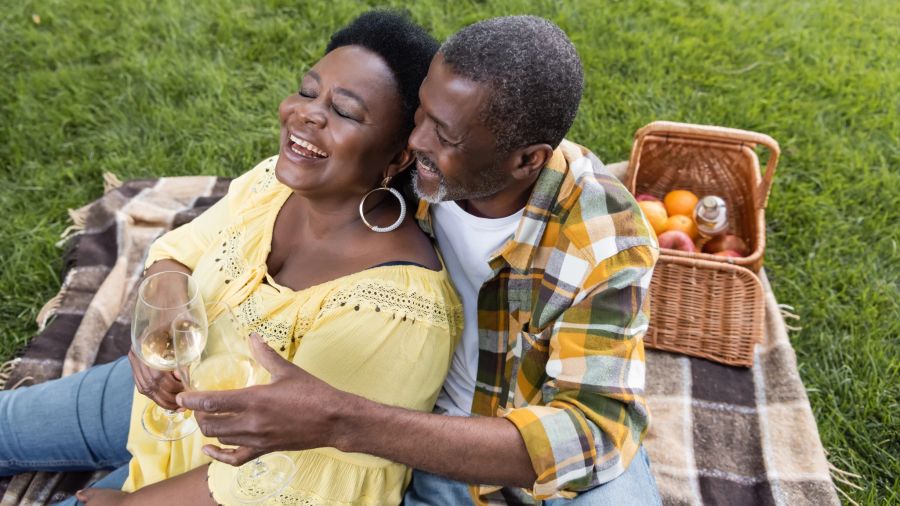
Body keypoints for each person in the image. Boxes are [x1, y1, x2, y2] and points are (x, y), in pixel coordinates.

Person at [175, 15, 663, 505]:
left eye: (445, 136)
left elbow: (592, 431)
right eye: (420, 114)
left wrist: (343, 421)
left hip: (512, 451)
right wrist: (168, 285)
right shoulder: (407, 168)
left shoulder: (602, 239)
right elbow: (264, 202)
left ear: (525, 161)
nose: (415, 142)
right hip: (417, 431)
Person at [0, 11, 463, 506]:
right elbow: (178, 252)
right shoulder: (273, 184)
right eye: (308, 92)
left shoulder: (393, 311)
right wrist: (164, 316)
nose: (306, 114)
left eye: (345, 112)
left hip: (231, 479)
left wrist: (131, 503)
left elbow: (287, 482)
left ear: (397, 158)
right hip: (159, 399)